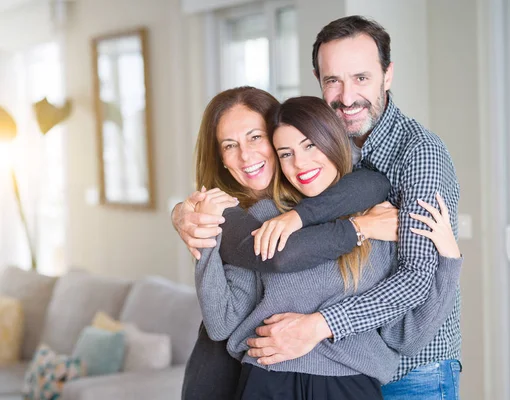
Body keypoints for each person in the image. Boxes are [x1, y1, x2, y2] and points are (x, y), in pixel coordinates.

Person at [176, 16, 462, 399]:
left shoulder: (415, 156)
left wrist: (318, 325)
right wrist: (191, 217)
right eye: (333, 81)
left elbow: (414, 281)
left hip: (413, 373)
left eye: (361, 77)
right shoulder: (276, 208)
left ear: (387, 74)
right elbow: (230, 311)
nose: (346, 96)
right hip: (276, 379)